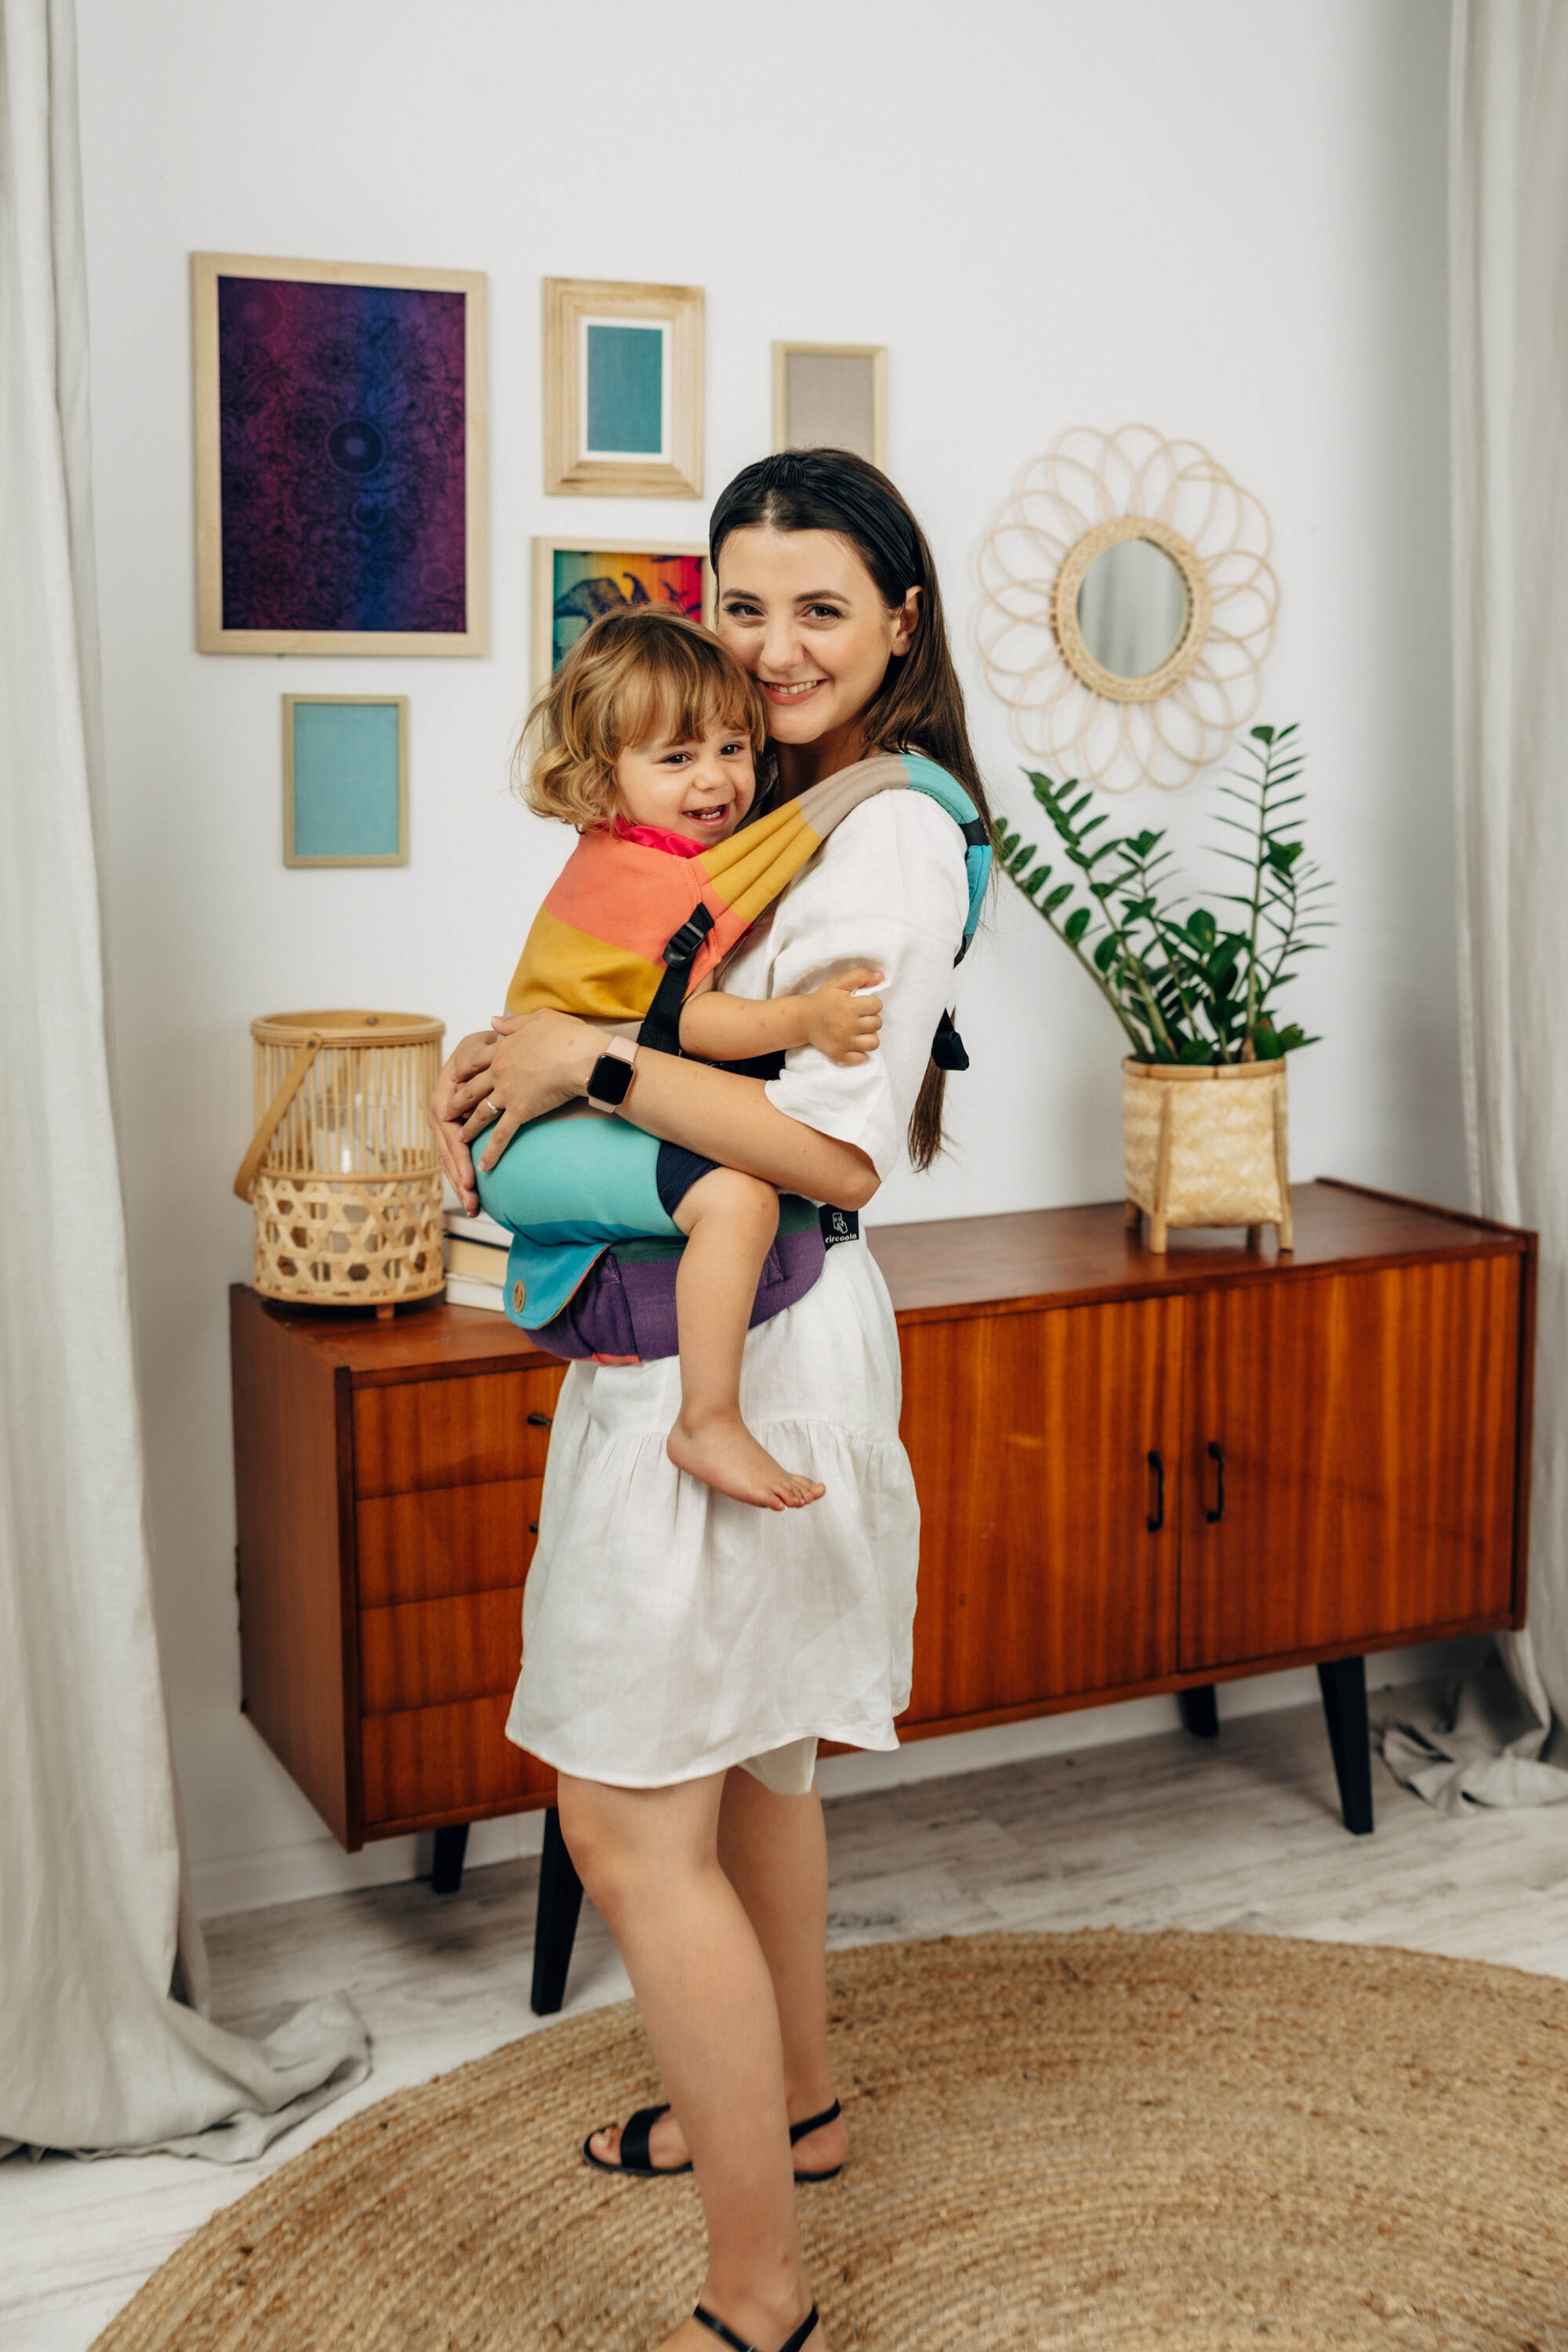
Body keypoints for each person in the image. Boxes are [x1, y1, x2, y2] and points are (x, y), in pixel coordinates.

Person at [429, 450, 992, 2352]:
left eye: (819, 608)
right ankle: (797, 2113)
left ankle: (755, 2298)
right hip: (720, 1322)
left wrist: (577, 1065)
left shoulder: (885, 844)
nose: (771, 649)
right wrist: (541, 1051)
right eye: (741, 606)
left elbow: (823, 1151)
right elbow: (656, 1003)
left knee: (623, 1824)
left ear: (900, 619)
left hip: (739, 1339)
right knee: (753, 1768)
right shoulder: (778, 813)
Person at [478, 604, 887, 1512]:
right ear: (602, 776)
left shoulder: (645, 851)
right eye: (676, 758)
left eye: (733, 748)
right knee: (737, 1199)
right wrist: (804, 1019)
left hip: (566, 1111)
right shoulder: (644, 880)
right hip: (533, 1140)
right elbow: (688, 1025)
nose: (714, 778)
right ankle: (707, 1419)